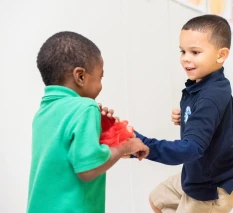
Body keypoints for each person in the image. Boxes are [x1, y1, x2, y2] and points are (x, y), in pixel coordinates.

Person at [27, 31, 149, 213]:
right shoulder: (86, 108)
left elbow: (70, 155)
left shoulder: (43, 112)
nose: (101, 84)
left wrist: (105, 132)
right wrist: (126, 146)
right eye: (100, 77)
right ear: (81, 76)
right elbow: (87, 169)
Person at [135, 14, 233, 213]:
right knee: (157, 200)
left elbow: (191, 148)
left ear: (221, 55)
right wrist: (185, 117)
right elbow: (207, 122)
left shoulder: (211, 95)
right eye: (183, 51)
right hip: (194, 174)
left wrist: (143, 145)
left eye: (195, 52)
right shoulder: (201, 85)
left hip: (213, 185)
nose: (186, 58)